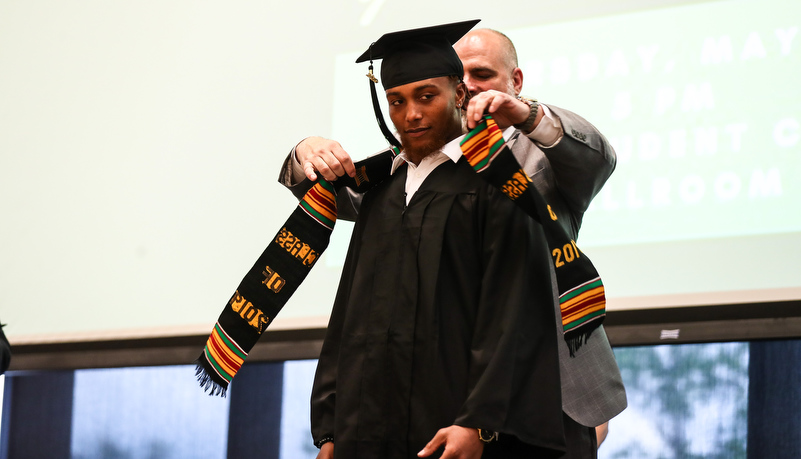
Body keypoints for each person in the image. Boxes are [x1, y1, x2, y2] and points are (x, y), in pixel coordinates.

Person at [279, 27, 626, 458]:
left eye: (482, 74)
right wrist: (306, 151)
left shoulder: (538, 155)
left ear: (515, 83)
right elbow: (334, 193)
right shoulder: (409, 172)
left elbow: (599, 156)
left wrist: (525, 115)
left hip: (546, 384)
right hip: (437, 393)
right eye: (459, 78)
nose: (470, 89)